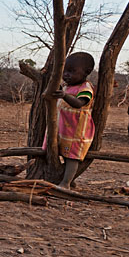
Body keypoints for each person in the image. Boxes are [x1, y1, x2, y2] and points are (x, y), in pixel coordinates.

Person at [49, 52, 96, 189]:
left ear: (86, 72)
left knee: (72, 157)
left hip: (77, 131)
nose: (66, 75)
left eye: (71, 71)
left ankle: (66, 183)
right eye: (65, 71)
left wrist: (64, 95)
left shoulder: (85, 88)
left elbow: (79, 103)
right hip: (64, 129)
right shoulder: (66, 86)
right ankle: (69, 178)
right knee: (64, 153)